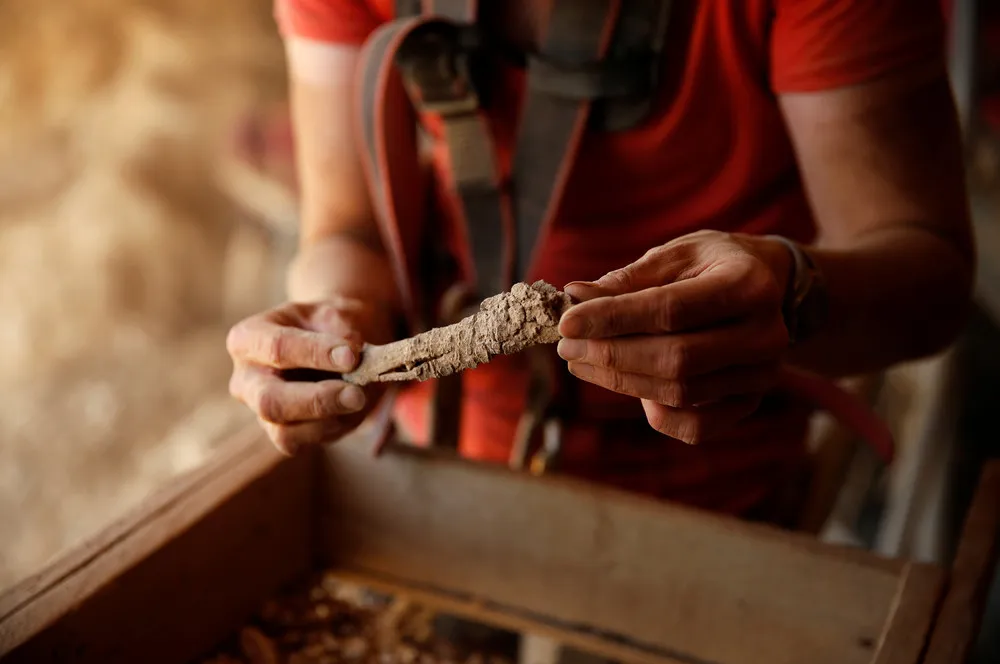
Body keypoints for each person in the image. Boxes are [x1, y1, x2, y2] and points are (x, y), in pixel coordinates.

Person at [226, 0, 974, 521]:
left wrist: (790, 293)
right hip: (433, 471)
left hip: (704, 491)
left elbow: (931, 279)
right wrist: (335, 319)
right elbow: (348, 231)